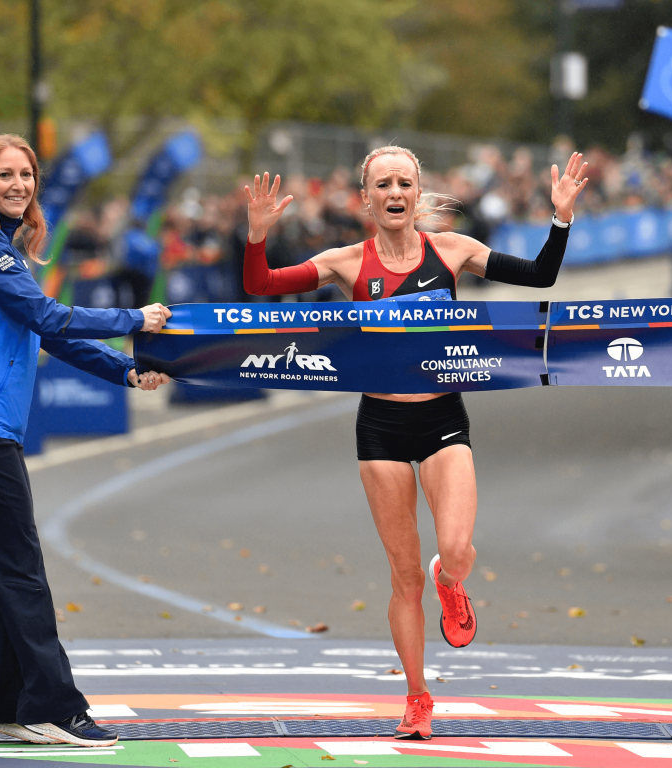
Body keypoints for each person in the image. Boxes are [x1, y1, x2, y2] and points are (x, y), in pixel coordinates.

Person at [244, 145, 587, 740]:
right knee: (404, 577)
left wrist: (560, 218)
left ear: (417, 192)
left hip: (442, 419)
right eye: (384, 185)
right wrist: (256, 236)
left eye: (404, 182)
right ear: (367, 199)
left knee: (453, 550)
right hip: (380, 426)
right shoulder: (348, 262)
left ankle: (451, 582)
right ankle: (417, 697)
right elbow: (261, 287)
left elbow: (540, 276)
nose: (395, 193)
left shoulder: (450, 250)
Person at [0, 134, 173, 747]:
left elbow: (53, 337)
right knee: (20, 566)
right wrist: (134, 320)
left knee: (4, 565)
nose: (19, 184)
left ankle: (5, 701)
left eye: (27, 174)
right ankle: (53, 706)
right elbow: (49, 316)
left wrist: (126, 369)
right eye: (4, 174)